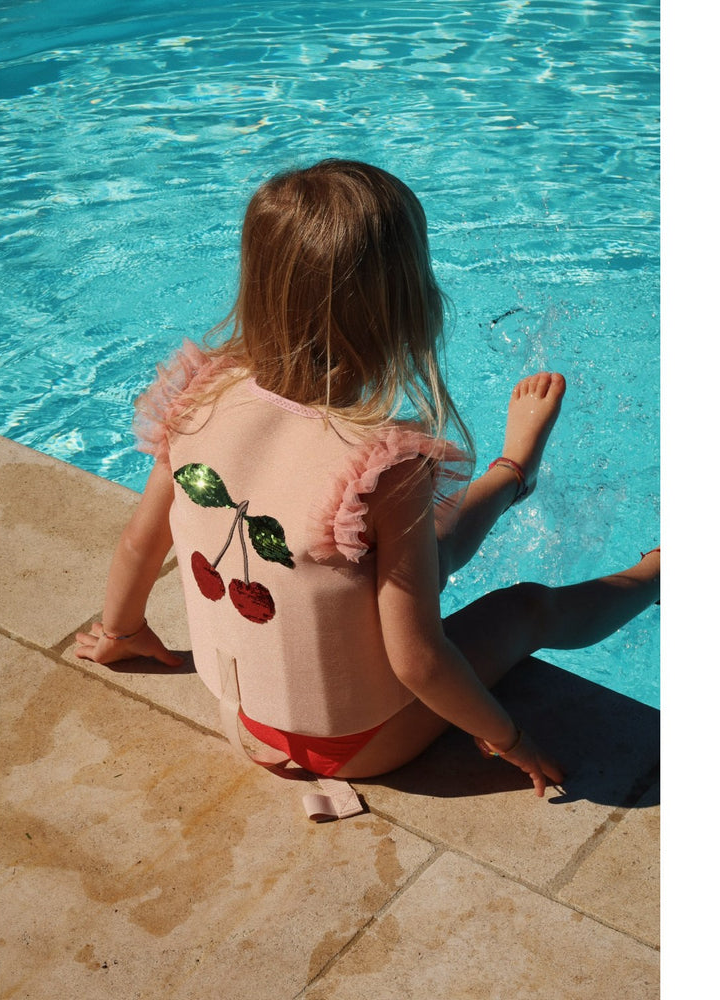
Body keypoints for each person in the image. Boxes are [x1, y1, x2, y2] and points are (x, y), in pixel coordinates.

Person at [75, 159, 660, 800]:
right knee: (525, 608)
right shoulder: (381, 466)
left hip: (243, 716)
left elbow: (140, 541)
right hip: (358, 743)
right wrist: (510, 739)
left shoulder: (198, 396)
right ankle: (654, 572)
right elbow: (419, 660)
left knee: (421, 551)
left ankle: (513, 472)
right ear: (403, 308)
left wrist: (122, 633)